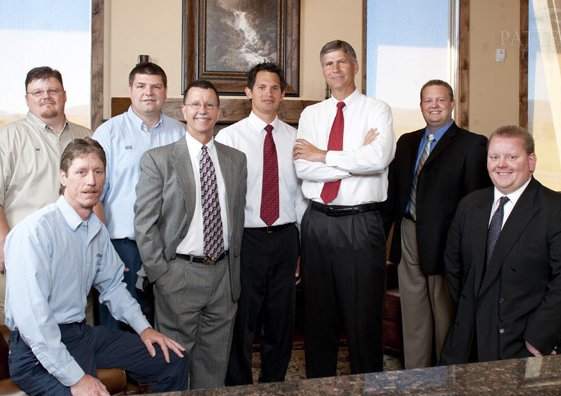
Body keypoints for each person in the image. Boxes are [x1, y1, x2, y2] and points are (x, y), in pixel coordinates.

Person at [4, 138, 189, 396]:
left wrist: (144, 329)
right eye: (81, 172)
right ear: (63, 178)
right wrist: (77, 378)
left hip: (79, 334)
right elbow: (34, 322)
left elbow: (113, 287)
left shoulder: (96, 230)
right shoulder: (35, 232)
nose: (91, 181)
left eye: (98, 172)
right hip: (34, 349)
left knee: (171, 359)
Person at [440, 125, 561, 364]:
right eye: (495, 157)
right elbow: (453, 267)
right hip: (469, 339)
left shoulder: (560, 210)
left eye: (512, 157)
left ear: (531, 161)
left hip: (527, 343)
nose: (502, 164)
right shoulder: (470, 205)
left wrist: (539, 337)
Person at [135, 79, 247, 389]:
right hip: (178, 275)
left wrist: (233, 274)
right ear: (184, 110)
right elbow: (144, 225)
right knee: (172, 365)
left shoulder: (236, 160)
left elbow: (236, 219)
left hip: (224, 277)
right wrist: (161, 275)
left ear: (218, 112)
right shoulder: (159, 160)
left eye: (210, 104)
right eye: (195, 104)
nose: (203, 110)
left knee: (214, 366)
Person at [293, 39, 395, 377]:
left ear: (354, 66)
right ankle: (318, 385)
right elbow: (302, 169)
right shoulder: (311, 114)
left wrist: (322, 155)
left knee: (363, 316)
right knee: (318, 315)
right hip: (318, 221)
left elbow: (379, 158)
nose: (334, 70)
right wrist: (356, 159)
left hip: (361, 223)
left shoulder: (377, 109)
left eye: (341, 62)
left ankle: (367, 383)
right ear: (322, 71)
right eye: (328, 64)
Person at [380, 80, 492, 369]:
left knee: (445, 313)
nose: (434, 106)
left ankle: (448, 375)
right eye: (428, 100)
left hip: (447, 239)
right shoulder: (406, 142)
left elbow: (476, 203)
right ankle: (416, 374)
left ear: (452, 104)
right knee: (414, 311)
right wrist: (382, 234)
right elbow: (394, 192)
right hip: (407, 233)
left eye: (440, 100)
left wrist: (467, 247)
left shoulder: (472, 144)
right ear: (420, 106)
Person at [0, 66, 91, 325]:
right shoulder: (7, 139)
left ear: (64, 94)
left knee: (77, 327)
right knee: (23, 329)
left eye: (52, 90)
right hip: (23, 251)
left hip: (76, 253)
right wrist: (4, 241)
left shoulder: (86, 137)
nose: (45, 96)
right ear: (27, 99)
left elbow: (97, 197)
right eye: (37, 92)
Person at [216, 62, 306, 385]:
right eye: (261, 87)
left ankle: (274, 385)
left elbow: (301, 196)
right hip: (246, 239)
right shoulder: (229, 138)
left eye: (274, 88)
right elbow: (222, 197)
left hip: (285, 238)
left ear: (282, 95)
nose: (268, 93)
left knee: (281, 322)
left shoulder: (296, 139)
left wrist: (300, 246)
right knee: (242, 320)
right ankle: (238, 387)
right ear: (248, 92)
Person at [92, 62, 185, 329]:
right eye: (141, 86)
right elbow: (94, 195)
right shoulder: (108, 133)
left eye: (156, 86)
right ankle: (117, 373)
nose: (149, 92)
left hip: (168, 247)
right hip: (123, 246)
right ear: (130, 90)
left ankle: (159, 372)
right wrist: (103, 249)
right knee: (118, 322)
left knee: (164, 321)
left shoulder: (179, 134)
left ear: (165, 92)